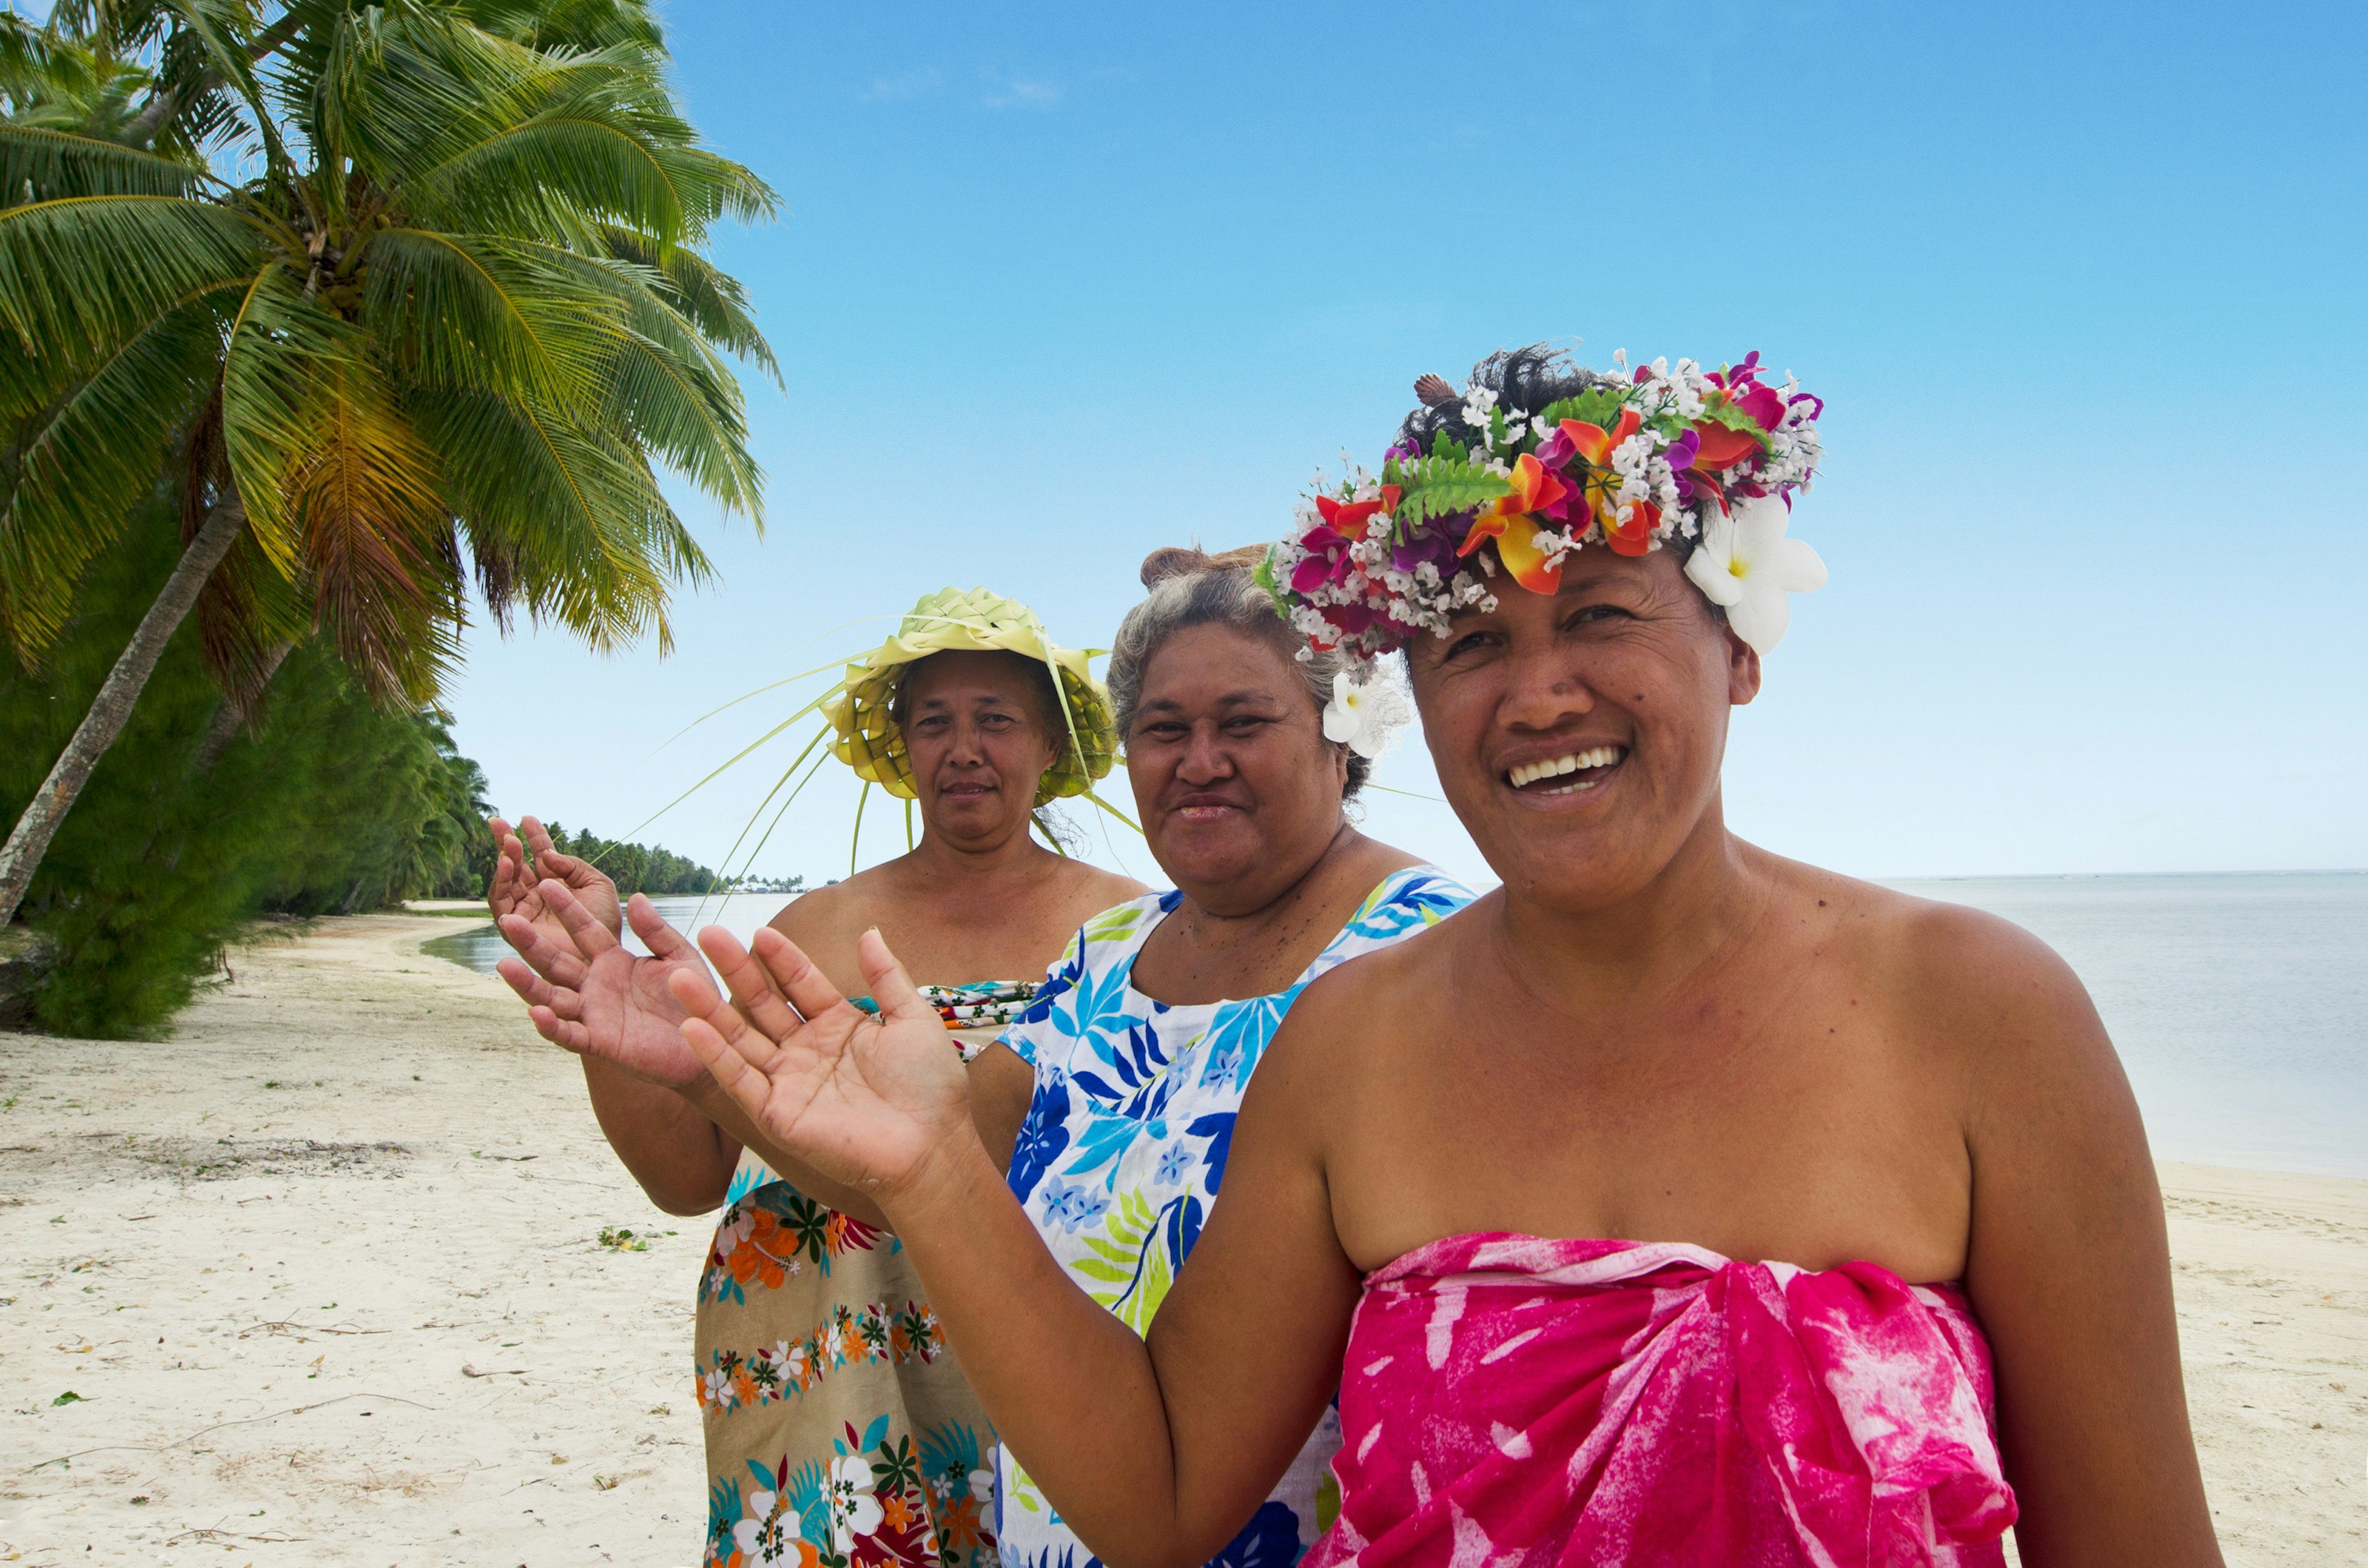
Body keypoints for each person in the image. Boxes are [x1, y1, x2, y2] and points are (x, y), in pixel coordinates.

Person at [667, 348, 2226, 1567]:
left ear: (1739, 644)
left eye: (1604, 612)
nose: (1539, 694)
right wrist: (933, 1165)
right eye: (1474, 641)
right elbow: (1154, 1499)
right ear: (1413, 688)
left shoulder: (1978, 1019)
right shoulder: (1353, 1046)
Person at [488, 588, 1144, 1568]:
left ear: (1050, 744)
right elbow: (690, 1178)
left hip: (1045, 1341)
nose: (964, 747)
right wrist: (600, 1004)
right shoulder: (816, 929)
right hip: (830, 1370)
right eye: (935, 723)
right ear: (904, 750)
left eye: (996, 720)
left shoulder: (1131, 926)